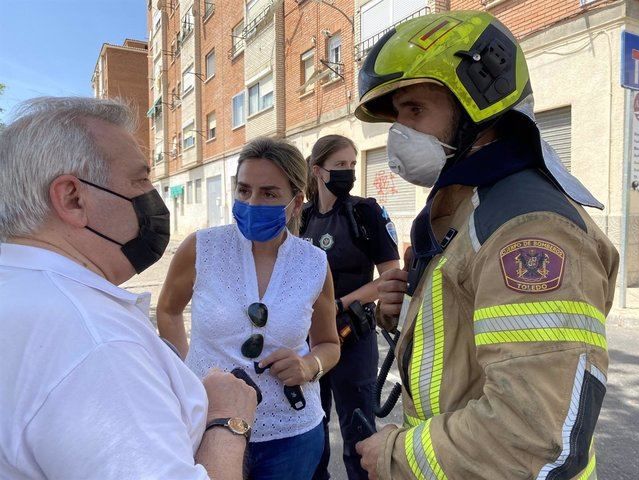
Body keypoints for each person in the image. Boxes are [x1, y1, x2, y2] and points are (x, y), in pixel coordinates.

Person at [353, 11, 618, 480]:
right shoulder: (470, 208)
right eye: (396, 115)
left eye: (414, 110)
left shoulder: (530, 232)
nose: (399, 132)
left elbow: (533, 438)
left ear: (478, 100)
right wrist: (406, 307)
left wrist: (395, 455)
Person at [0, 97, 257, 479]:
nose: (153, 197)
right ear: (73, 198)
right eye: (140, 180)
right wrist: (226, 419)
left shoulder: (20, 288)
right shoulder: (96, 342)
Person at [157, 137, 341, 480]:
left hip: (291, 436)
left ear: (296, 202)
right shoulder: (202, 248)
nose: (252, 202)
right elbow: (167, 310)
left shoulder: (314, 263)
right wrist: (189, 375)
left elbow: (329, 344)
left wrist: (308, 365)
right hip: (207, 424)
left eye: (269, 194)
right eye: (244, 190)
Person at [300, 135, 400, 480]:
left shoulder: (365, 212)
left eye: (353, 165)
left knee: (359, 432)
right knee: (313, 426)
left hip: (352, 336)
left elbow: (391, 278)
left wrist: (337, 303)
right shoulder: (303, 217)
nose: (349, 172)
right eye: (340, 165)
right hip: (309, 340)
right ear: (318, 170)